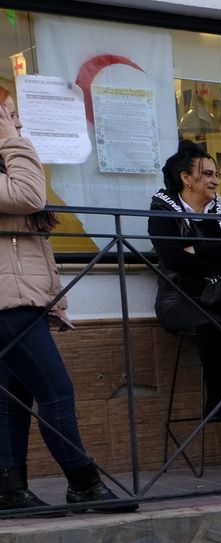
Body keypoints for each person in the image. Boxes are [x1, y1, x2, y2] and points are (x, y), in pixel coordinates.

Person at [0, 94, 135, 515]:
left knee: (13, 396)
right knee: (55, 391)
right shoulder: (13, 158)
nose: (19, 122)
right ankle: (83, 483)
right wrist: (11, 139)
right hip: (9, 304)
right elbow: (28, 196)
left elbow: (30, 246)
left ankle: (10, 490)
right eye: (9, 114)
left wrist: (52, 299)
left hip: (21, 299)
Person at [148, 139, 221, 422]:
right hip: (179, 297)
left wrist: (198, 249)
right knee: (213, 326)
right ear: (186, 178)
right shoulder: (162, 209)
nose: (215, 180)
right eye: (207, 174)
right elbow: (174, 260)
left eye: (216, 173)